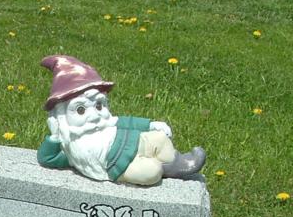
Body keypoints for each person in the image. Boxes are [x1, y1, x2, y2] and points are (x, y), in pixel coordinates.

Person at [37, 55, 205, 185]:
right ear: (62, 117)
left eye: (98, 105)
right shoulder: (71, 148)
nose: (93, 115)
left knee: (159, 139)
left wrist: (151, 124)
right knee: (150, 172)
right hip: (120, 167)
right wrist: (55, 136)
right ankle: (162, 166)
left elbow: (127, 122)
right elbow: (46, 159)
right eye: (80, 110)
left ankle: (180, 164)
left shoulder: (107, 122)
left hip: (132, 140)